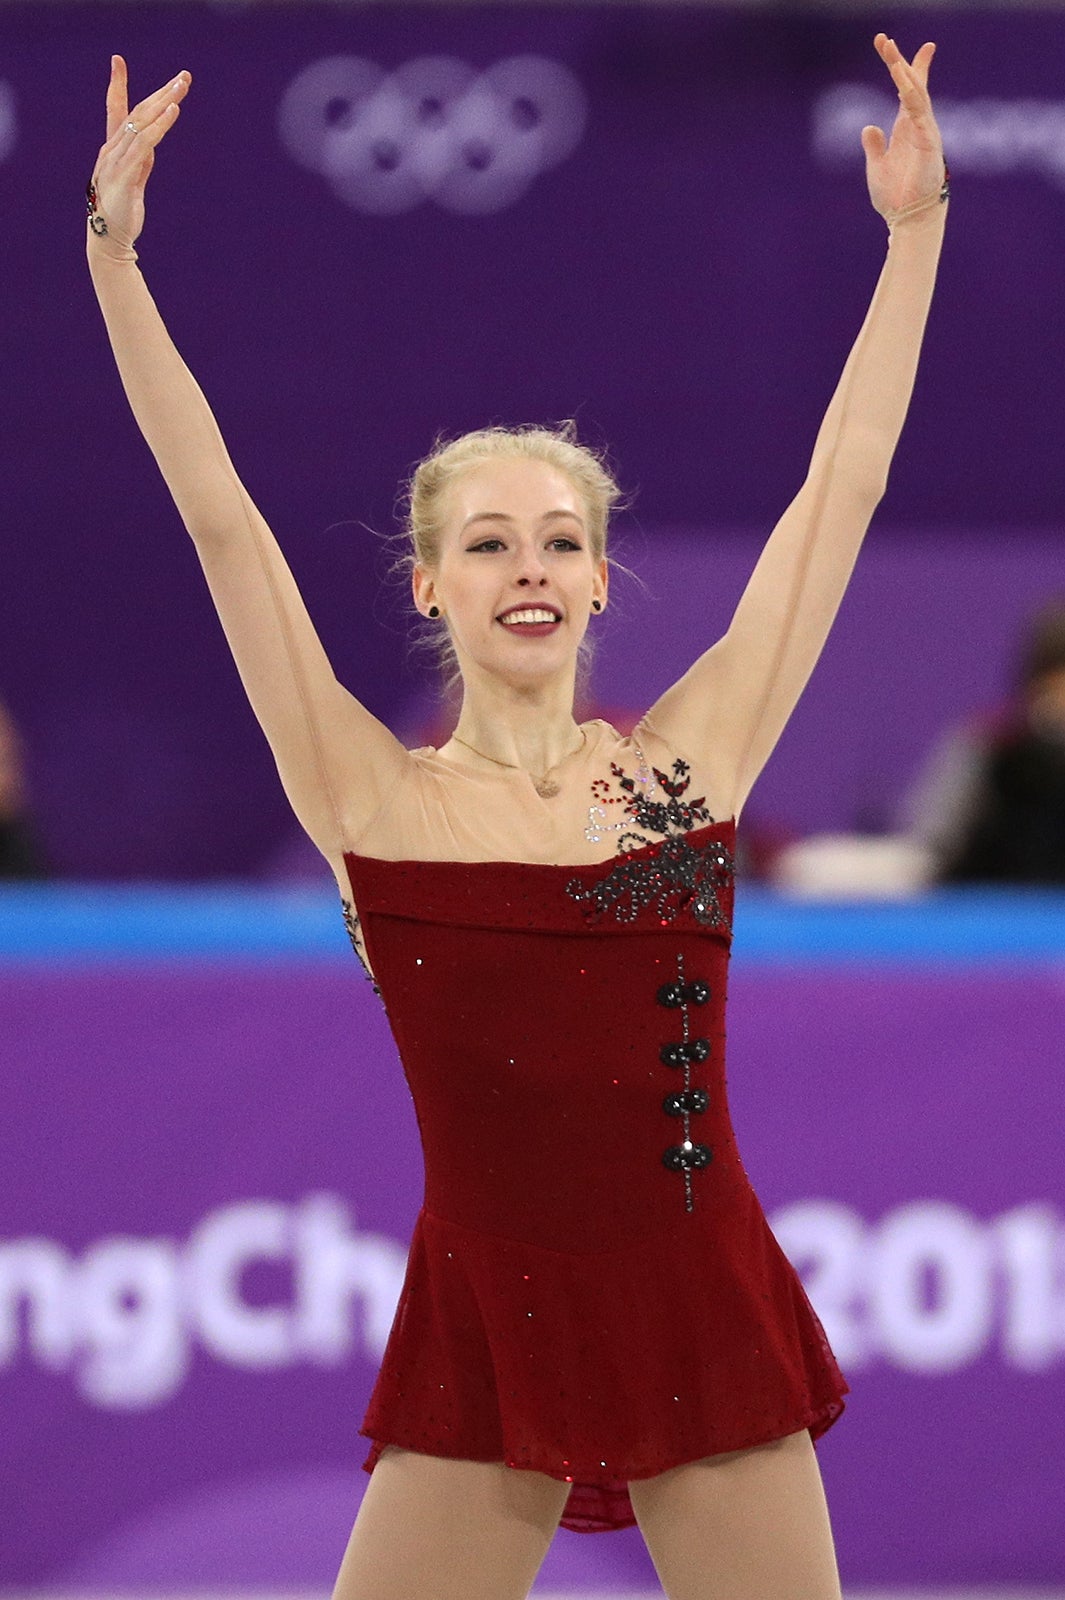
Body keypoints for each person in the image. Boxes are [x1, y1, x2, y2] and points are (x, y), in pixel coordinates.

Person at [86, 35, 948, 1600]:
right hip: (489, 1314)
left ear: (604, 579)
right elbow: (217, 521)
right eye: (488, 543)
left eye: (561, 540)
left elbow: (847, 482)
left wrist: (913, 241)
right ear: (429, 584)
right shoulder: (371, 799)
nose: (531, 566)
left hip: (698, 1297)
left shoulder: (687, 776)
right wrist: (113, 263)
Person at [900, 600, 1065, 884]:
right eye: (1057, 687)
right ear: (1035, 684)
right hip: (990, 910)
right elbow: (929, 839)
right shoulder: (987, 747)